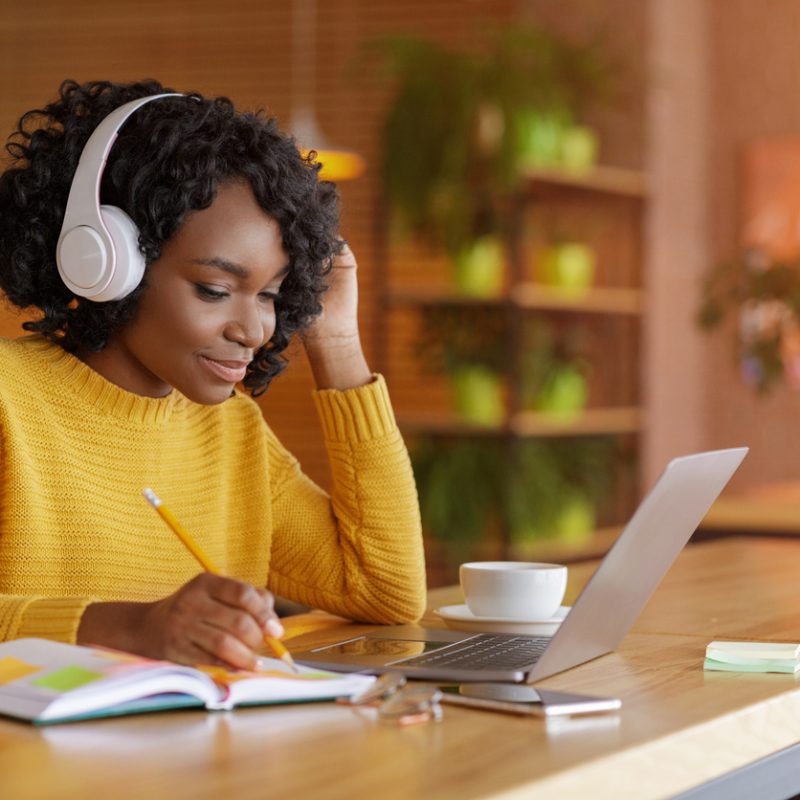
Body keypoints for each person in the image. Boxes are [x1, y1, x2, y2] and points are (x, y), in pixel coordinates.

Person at [0, 79, 426, 670]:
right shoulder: (9, 400)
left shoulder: (233, 432)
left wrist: (336, 340)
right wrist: (130, 628)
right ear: (105, 260)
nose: (253, 329)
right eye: (216, 289)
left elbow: (388, 592)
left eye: (273, 295)